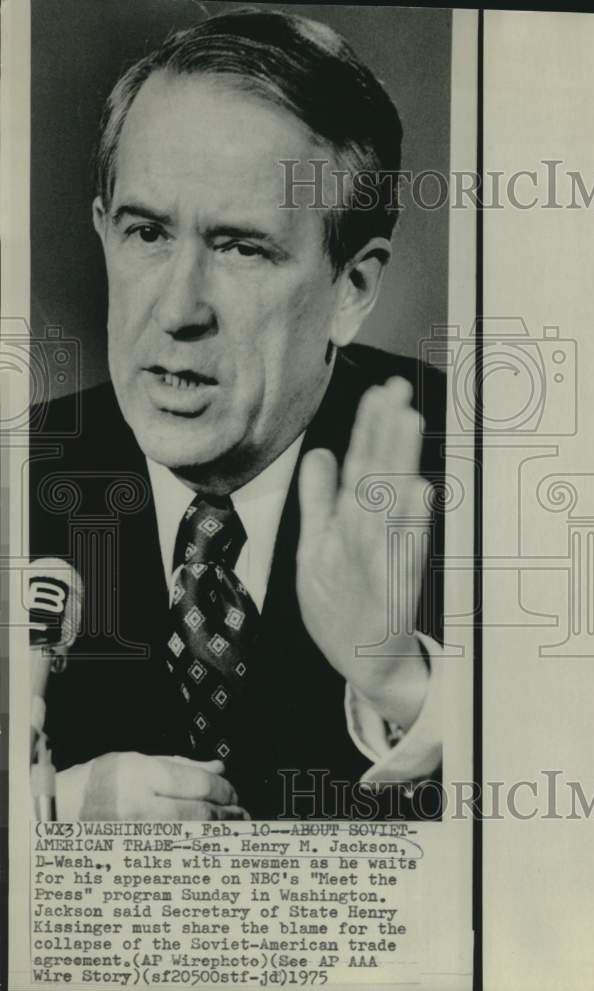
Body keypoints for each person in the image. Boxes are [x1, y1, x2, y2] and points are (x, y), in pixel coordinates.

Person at [30, 9, 446, 820]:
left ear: (352, 291)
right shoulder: (16, 472)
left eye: (241, 248)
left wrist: (400, 682)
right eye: (146, 233)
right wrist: (51, 809)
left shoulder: (485, 473)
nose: (177, 309)